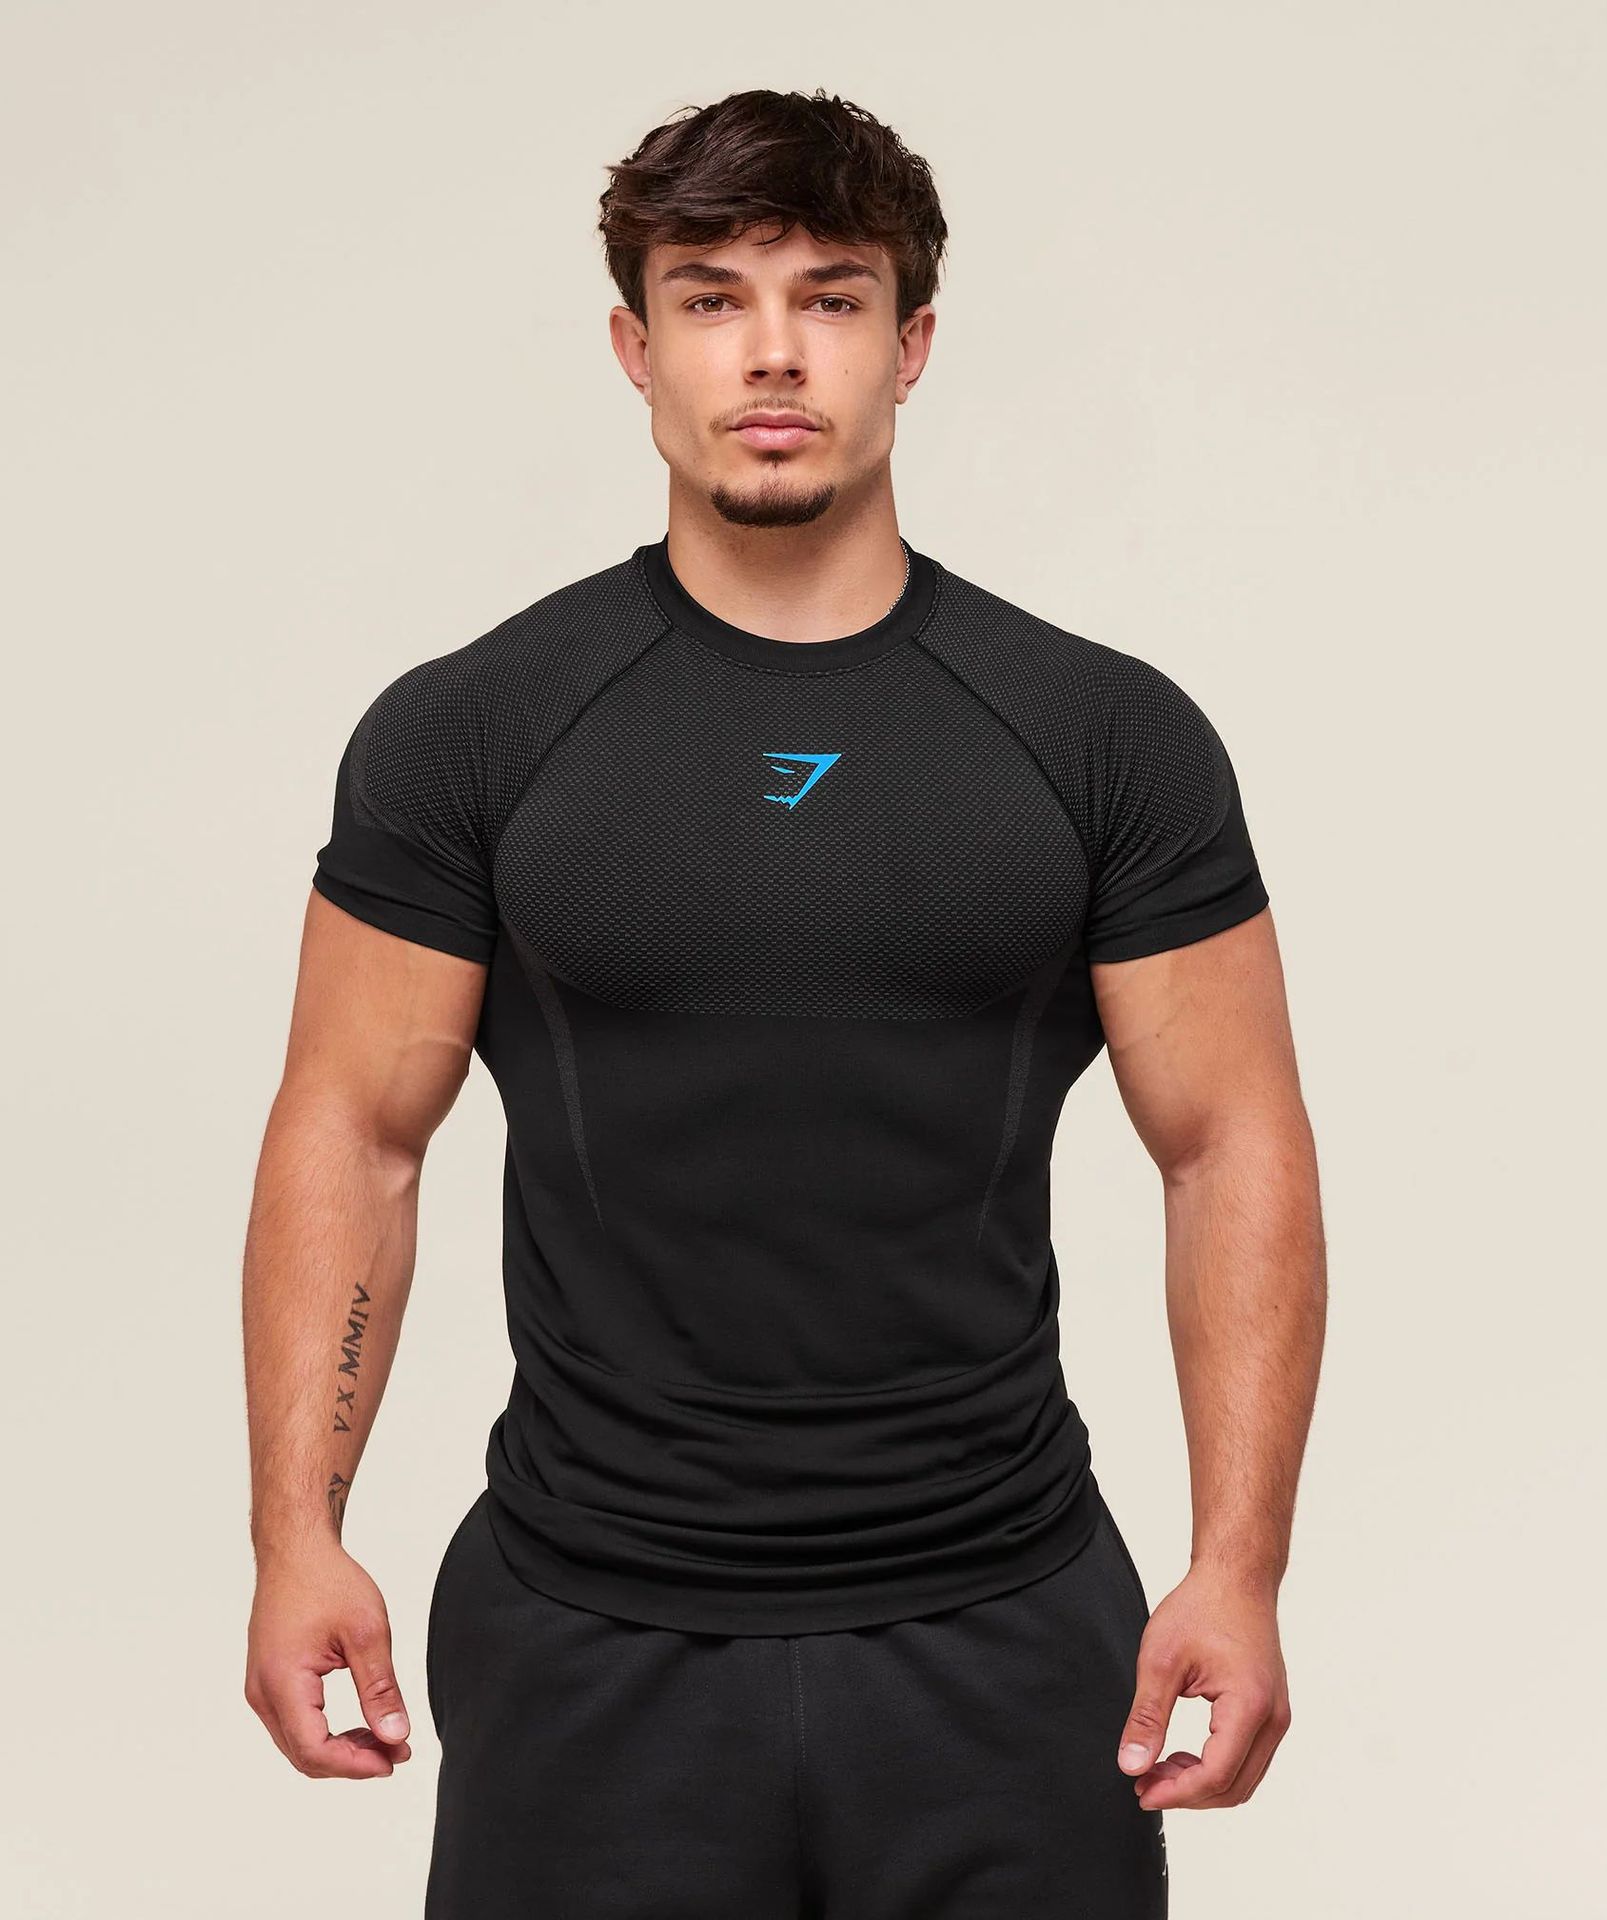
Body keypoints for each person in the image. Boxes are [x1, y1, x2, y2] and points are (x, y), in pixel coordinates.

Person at [242, 85, 1325, 1919]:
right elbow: (354, 1133)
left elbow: (1230, 1146)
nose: (770, 352)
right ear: (633, 348)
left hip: (1000, 1624)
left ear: (910, 347)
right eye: (708, 298)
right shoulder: (473, 733)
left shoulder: (1100, 738)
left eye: (829, 298)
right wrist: (295, 1535)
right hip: (588, 1628)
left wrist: (1240, 1567)